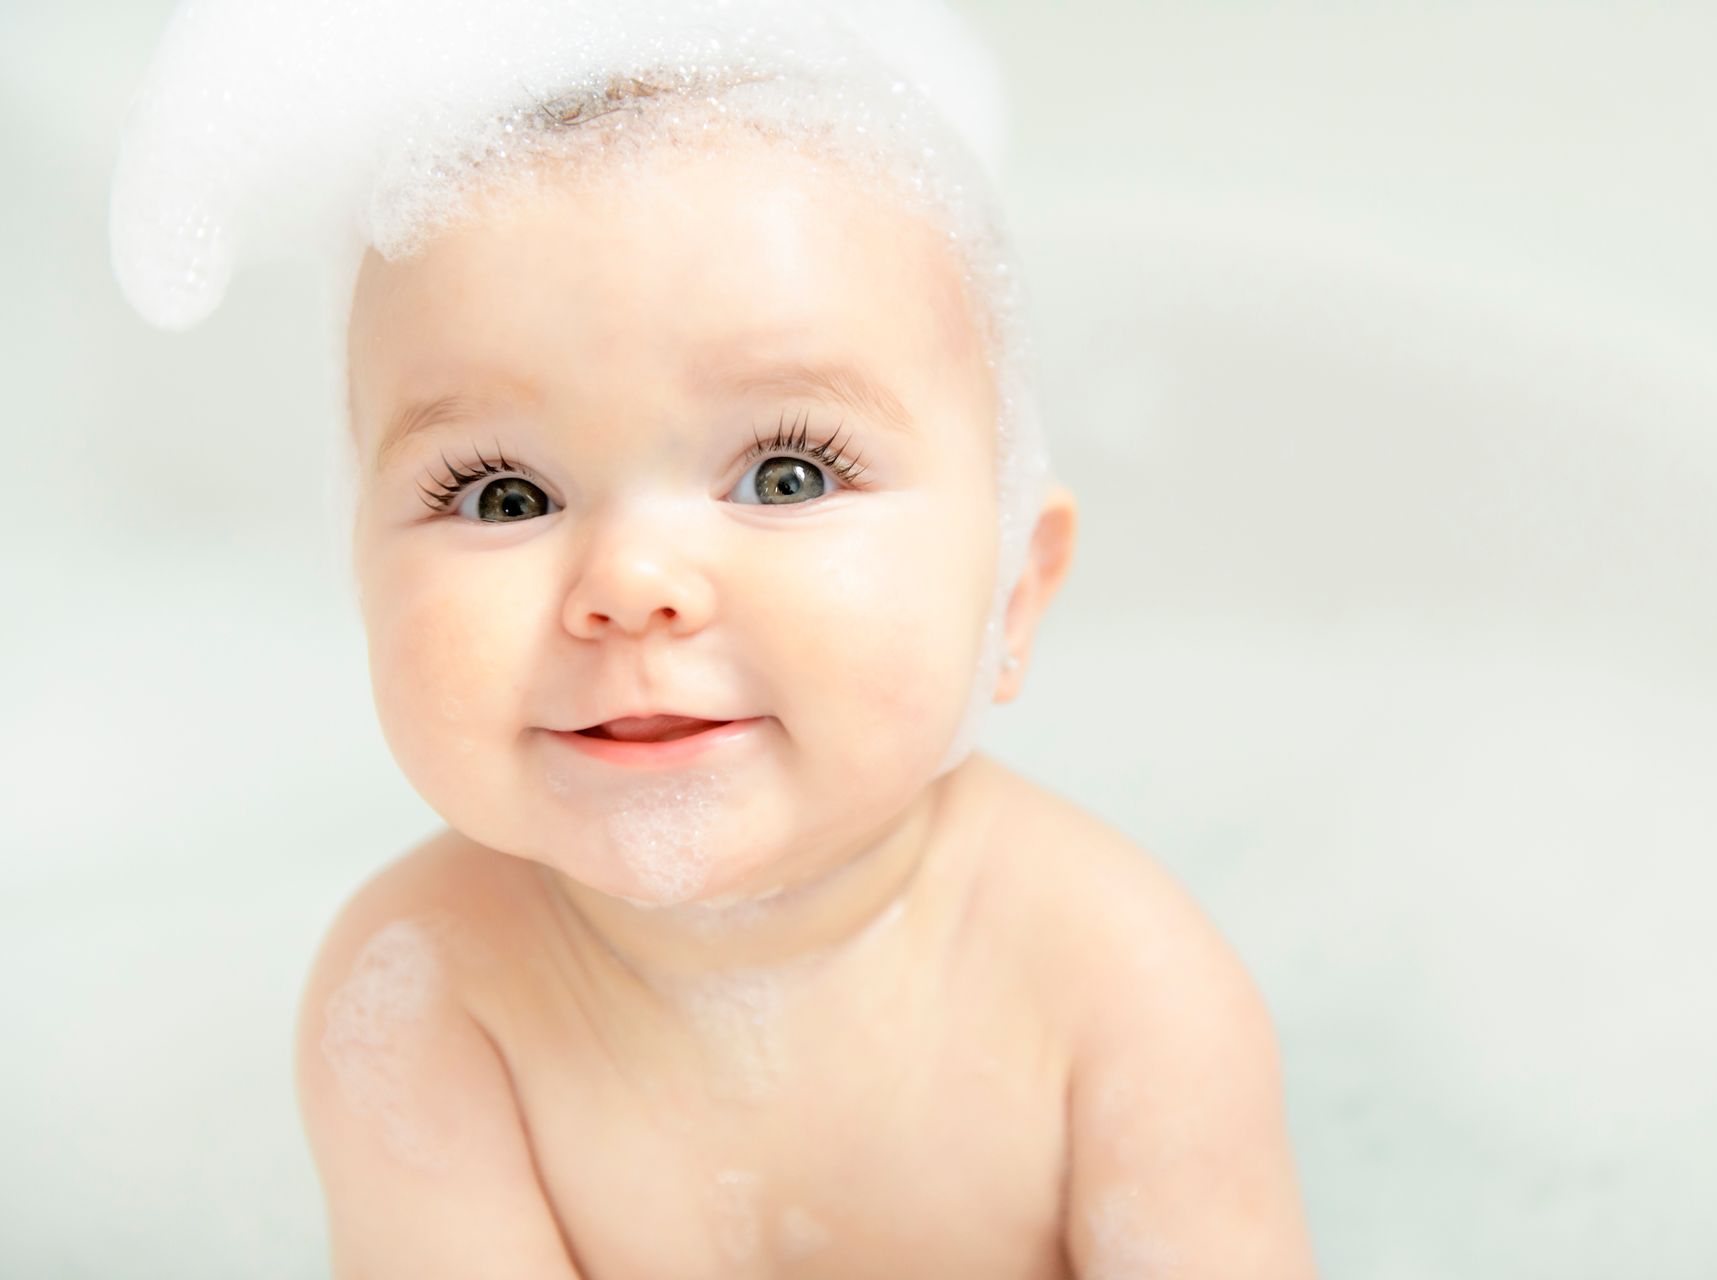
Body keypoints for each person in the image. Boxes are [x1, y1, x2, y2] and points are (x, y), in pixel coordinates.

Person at [111, 2, 1317, 1274]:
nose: (629, 584)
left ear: (1013, 590)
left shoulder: (1118, 987)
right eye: (503, 495)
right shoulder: (422, 994)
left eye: (786, 474)